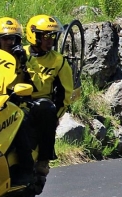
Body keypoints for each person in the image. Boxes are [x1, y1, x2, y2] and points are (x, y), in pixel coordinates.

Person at [25, 15, 82, 177]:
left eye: (53, 36)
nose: (50, 40)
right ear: (33, 35)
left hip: (40, 107)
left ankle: (43, 159)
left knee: (45, 107)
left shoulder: (58, 61)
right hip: (16, 100)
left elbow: (65, 93)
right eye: (46, 36)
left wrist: (54, 116)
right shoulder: (19, 52)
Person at [0, 17, 35, 185]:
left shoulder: (22, 57)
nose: (9, 42)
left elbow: (33, 85)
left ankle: (26, 168)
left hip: (15, 103)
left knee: (20, 120)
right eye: (5, 38)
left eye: (13, 39)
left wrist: (24, 63)